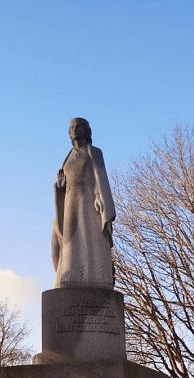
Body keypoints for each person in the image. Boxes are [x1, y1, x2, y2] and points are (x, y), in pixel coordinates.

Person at [51, 118, 116, 289]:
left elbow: (100, 178)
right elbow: (63, 184)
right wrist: (60, 188)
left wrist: (100, 198)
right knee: (70, 239)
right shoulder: (68, 157)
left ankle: (96, 276)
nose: (74, 130)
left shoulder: (94, 152)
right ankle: (71, 275)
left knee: (89, 235)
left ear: (86, 130)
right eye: (71, 128)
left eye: (78, 127)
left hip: (88, 199)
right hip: (70, 199)